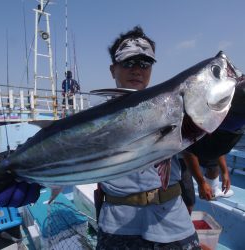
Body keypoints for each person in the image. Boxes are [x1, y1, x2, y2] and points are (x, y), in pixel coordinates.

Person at [95, 26, 201, 250]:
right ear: (112, 69)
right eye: (129, 62)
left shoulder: (172, 107)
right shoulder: (93, 120)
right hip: (117, 224)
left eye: (145, 63)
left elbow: (193, 154)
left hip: (172, 220)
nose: (137, 70)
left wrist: (190, 197)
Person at [180, 84, 245, 214]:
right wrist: (201, 182)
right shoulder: (198, 123)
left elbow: (217, 145)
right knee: (189, 201)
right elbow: (188, 151)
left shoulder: (219, 125)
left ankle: (213, 188)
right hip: (178, 155)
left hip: (206, 134)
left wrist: (225, 171)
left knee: (211, 160)